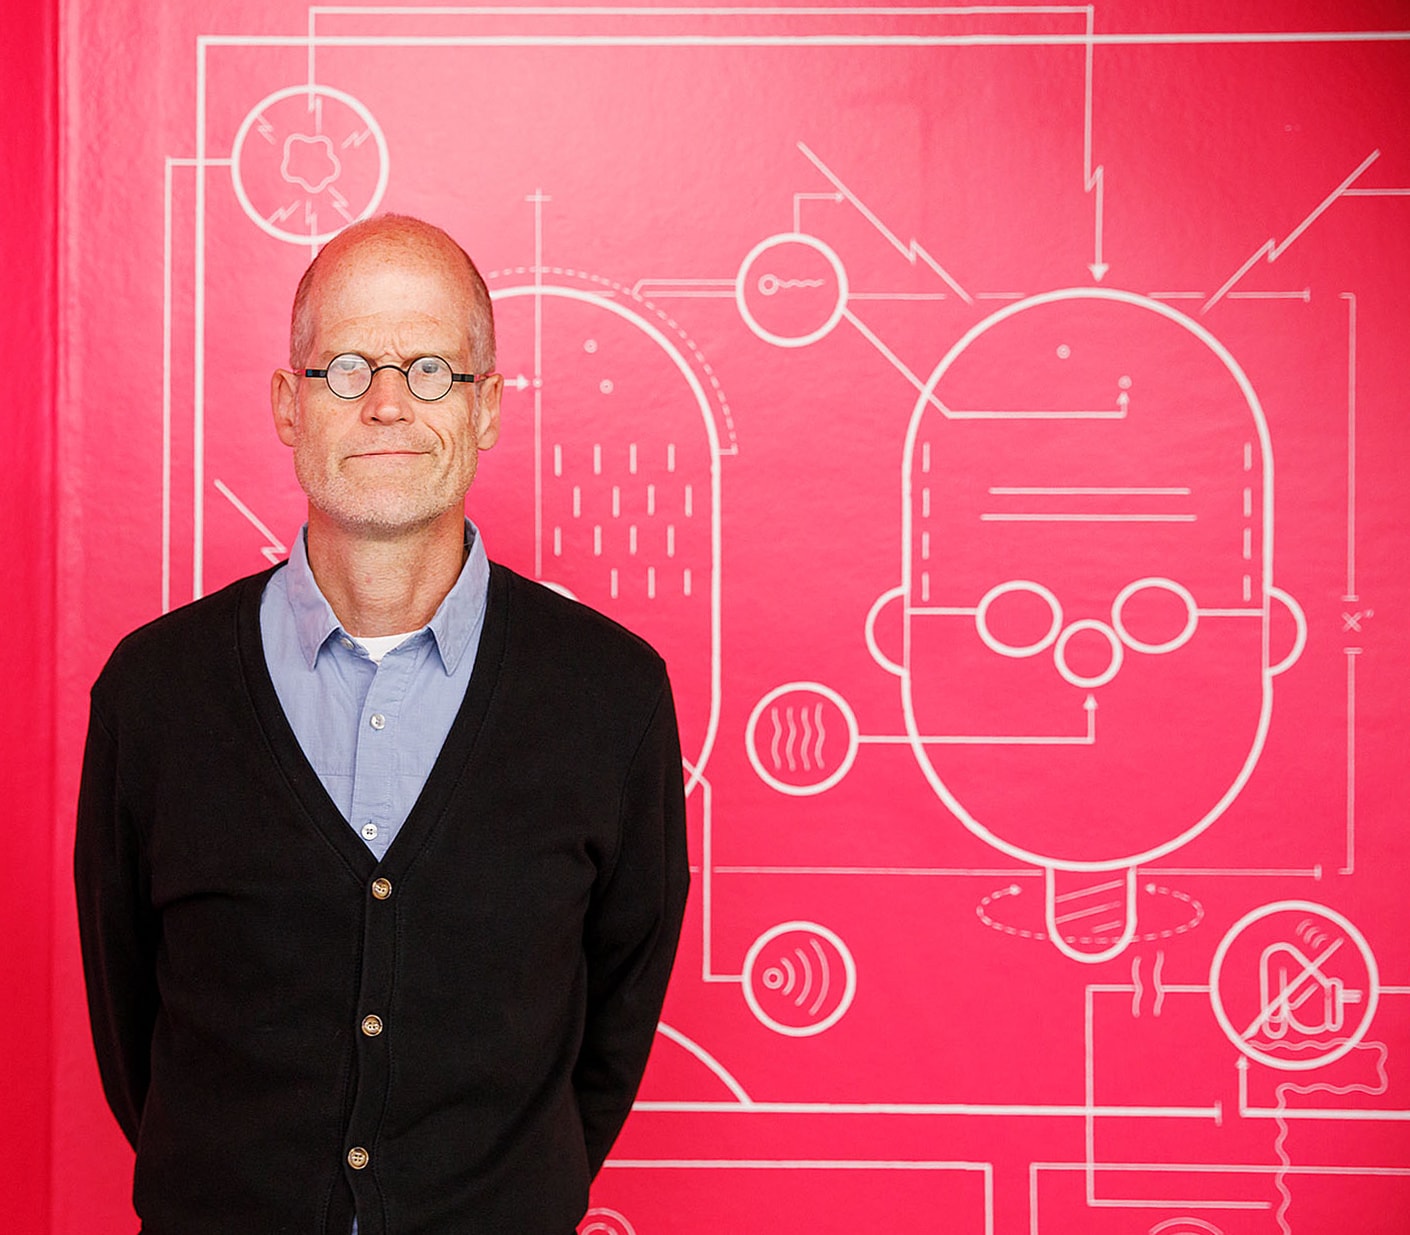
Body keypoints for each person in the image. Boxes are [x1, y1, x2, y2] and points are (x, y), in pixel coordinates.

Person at [74, 214, 690, 1234]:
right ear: (288, 403)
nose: (391, 404)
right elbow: (128, 1018)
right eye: (348, 368)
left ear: (488, 407)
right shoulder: (154, 693)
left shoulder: (611, 697)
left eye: (435, 370)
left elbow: (617, 1011)